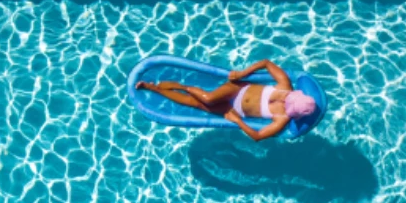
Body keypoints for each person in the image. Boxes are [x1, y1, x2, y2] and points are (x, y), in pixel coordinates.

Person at [136, 59, 317, 141]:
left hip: (235, 112)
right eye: (289, 99)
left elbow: (258, 136)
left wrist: (238, 121)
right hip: (236, 89)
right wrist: (242, 73)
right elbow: (267, 63)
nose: (286, 101)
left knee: (192, 103)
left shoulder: (282, 119)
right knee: (208, 98)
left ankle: (153, 88)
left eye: (289, 106)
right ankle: (184, 87)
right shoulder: (285, 86)